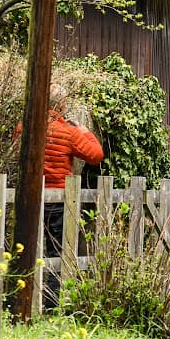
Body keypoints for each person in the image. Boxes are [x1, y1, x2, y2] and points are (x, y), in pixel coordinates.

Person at [38, 85, 104, 306]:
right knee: (58, 250)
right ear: (62, 105)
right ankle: (51, 302)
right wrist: (85, 131)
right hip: (58, 198)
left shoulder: (26, 126)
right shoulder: (67, 131)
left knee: (30, 248)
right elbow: (96, 155)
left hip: (32, 197)